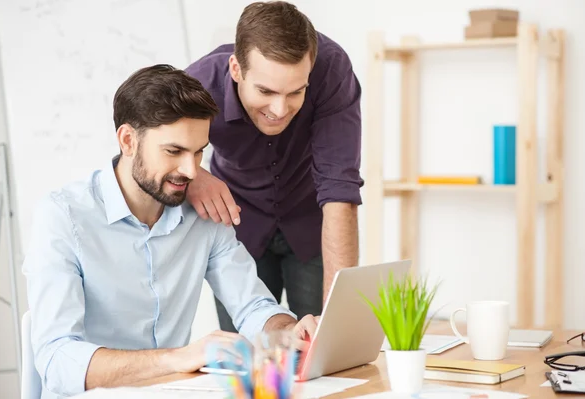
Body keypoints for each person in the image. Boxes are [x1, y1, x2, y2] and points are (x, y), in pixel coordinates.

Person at [22, 64, 318, 399]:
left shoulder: (204, 215)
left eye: (198, 152)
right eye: (174, 151)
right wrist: (179, 358)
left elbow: (252, 307)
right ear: (128, 140)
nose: (191, 171)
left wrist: (289, 331)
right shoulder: (63, 217)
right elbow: (58, 360)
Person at [184, 1, 363, 333]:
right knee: (247, 354)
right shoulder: (198, 85)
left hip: (311, 225)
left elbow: (340, 192)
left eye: (296, 92)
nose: (279, 109)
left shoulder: (332, 70)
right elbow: (151, 153)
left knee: (318, 349)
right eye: (265, 91)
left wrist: (335, 325)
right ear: (236, 69)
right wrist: (194, 177)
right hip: (238, 226)